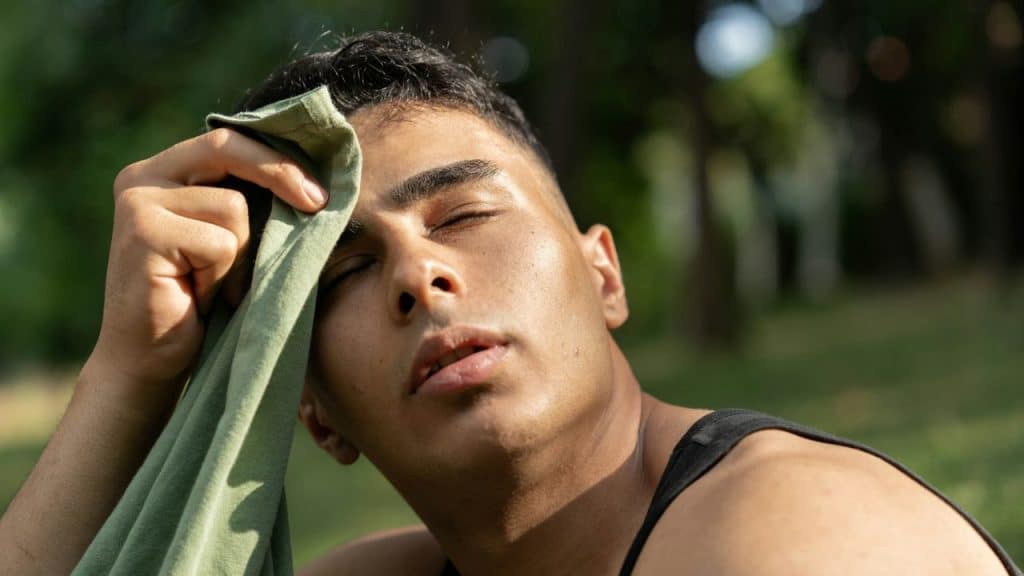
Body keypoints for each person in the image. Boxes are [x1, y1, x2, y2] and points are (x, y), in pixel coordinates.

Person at [0, 31, 1019, 576]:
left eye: (462, 214)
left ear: (603, 274)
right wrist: (124, 378)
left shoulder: (791, 537)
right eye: (344, 273)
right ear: (315, 416)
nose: (416, 276)